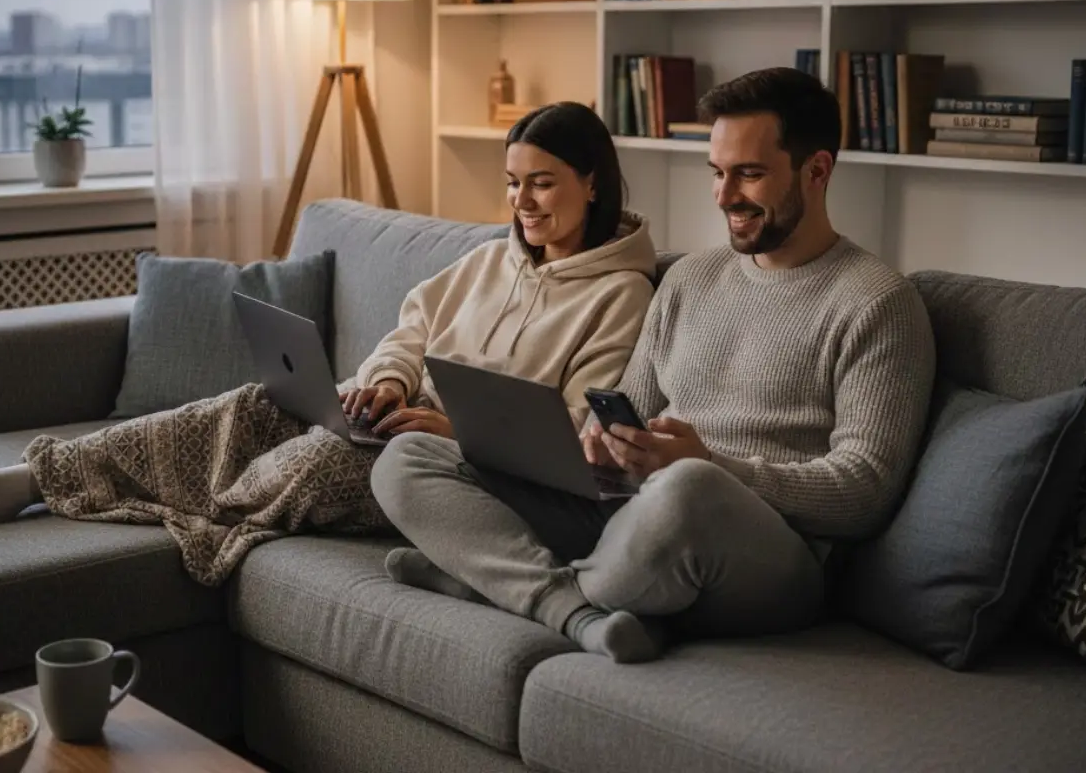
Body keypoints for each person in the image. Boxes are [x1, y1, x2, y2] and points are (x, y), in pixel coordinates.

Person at [0, 101, 658, 587]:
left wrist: (446, 429)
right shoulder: (493, 258)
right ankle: (32, 480)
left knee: (323, 457)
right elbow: (412, 328)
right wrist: (388, 382)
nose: (521, 203)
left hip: (463, 471)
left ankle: (185, 505)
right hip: (401, 423)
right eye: (512, 183)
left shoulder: (621, 294)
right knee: (250, 404)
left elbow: (565, 436)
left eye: (543, 184)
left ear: (593, 183)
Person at [370, 67, 938, 664]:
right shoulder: (692, 277)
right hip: (634, 512)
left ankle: (487, 581)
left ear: (817, 170)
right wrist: (599, 444)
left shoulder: (878, 302)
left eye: (749, 174)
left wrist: (715, 465)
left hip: (770, 555)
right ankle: (571, 607)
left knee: (689, 488)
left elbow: (867, 489)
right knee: (408, 459)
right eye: (717, 173)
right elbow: (621, 411)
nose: (723, 196)